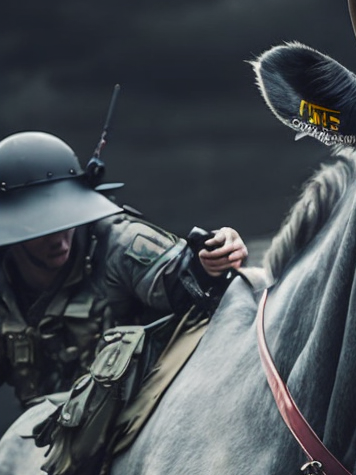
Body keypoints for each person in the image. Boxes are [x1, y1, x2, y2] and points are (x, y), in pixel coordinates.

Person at [0, 130, 248, 409]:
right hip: (38, 439)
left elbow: (185, 280)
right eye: (40, 227)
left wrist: (213, 259)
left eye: (63, 218)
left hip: (134, 420)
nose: (58, 239)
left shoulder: (119, 243)